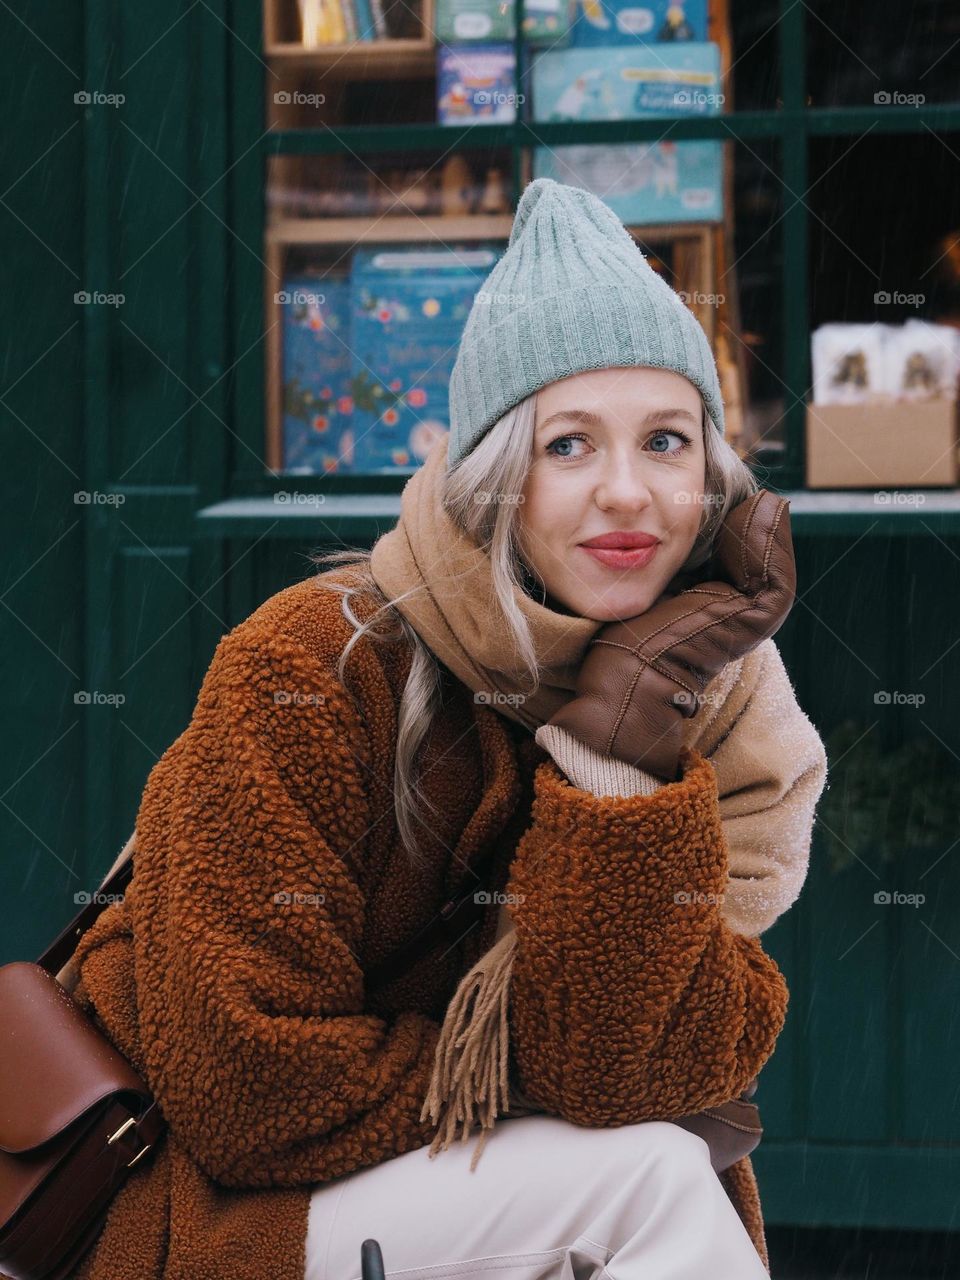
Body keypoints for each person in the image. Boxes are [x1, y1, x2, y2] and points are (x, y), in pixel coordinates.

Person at [69, 179, 828, 1280]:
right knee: (653, 1179)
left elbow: (625, 1065)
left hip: (454, 1183)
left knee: (653, 1162)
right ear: (495, 477)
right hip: (211, 1204)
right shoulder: (311, 664)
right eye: (569, 445)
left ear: (712, 475)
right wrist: (515, 1075)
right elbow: (249, 1084)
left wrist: (620, 746)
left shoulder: (719, 706)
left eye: (666, 440)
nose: (628, 491)